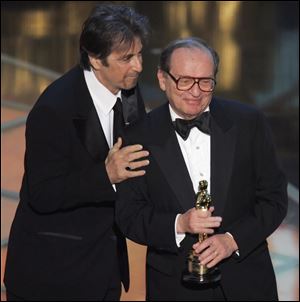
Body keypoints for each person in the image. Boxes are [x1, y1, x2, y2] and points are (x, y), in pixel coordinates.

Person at [116, 37, 288, 301]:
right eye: (184, 80)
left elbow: (274, 199)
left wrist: (232, 240)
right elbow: (129, 215)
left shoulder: (249, 123)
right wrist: (179, 223)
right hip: (174, 288)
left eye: (205, 81)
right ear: (162, 79)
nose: (195, 91)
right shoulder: (138, 136)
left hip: (248, 283)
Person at [4, 4, 150, 301]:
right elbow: (44, 193)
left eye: (139, 54)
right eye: (126, 58)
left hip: (105, 266)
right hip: (52, 274)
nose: (138, 66)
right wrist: (106, 175)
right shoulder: (54, 109)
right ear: (95, 59)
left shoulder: (130, 90)